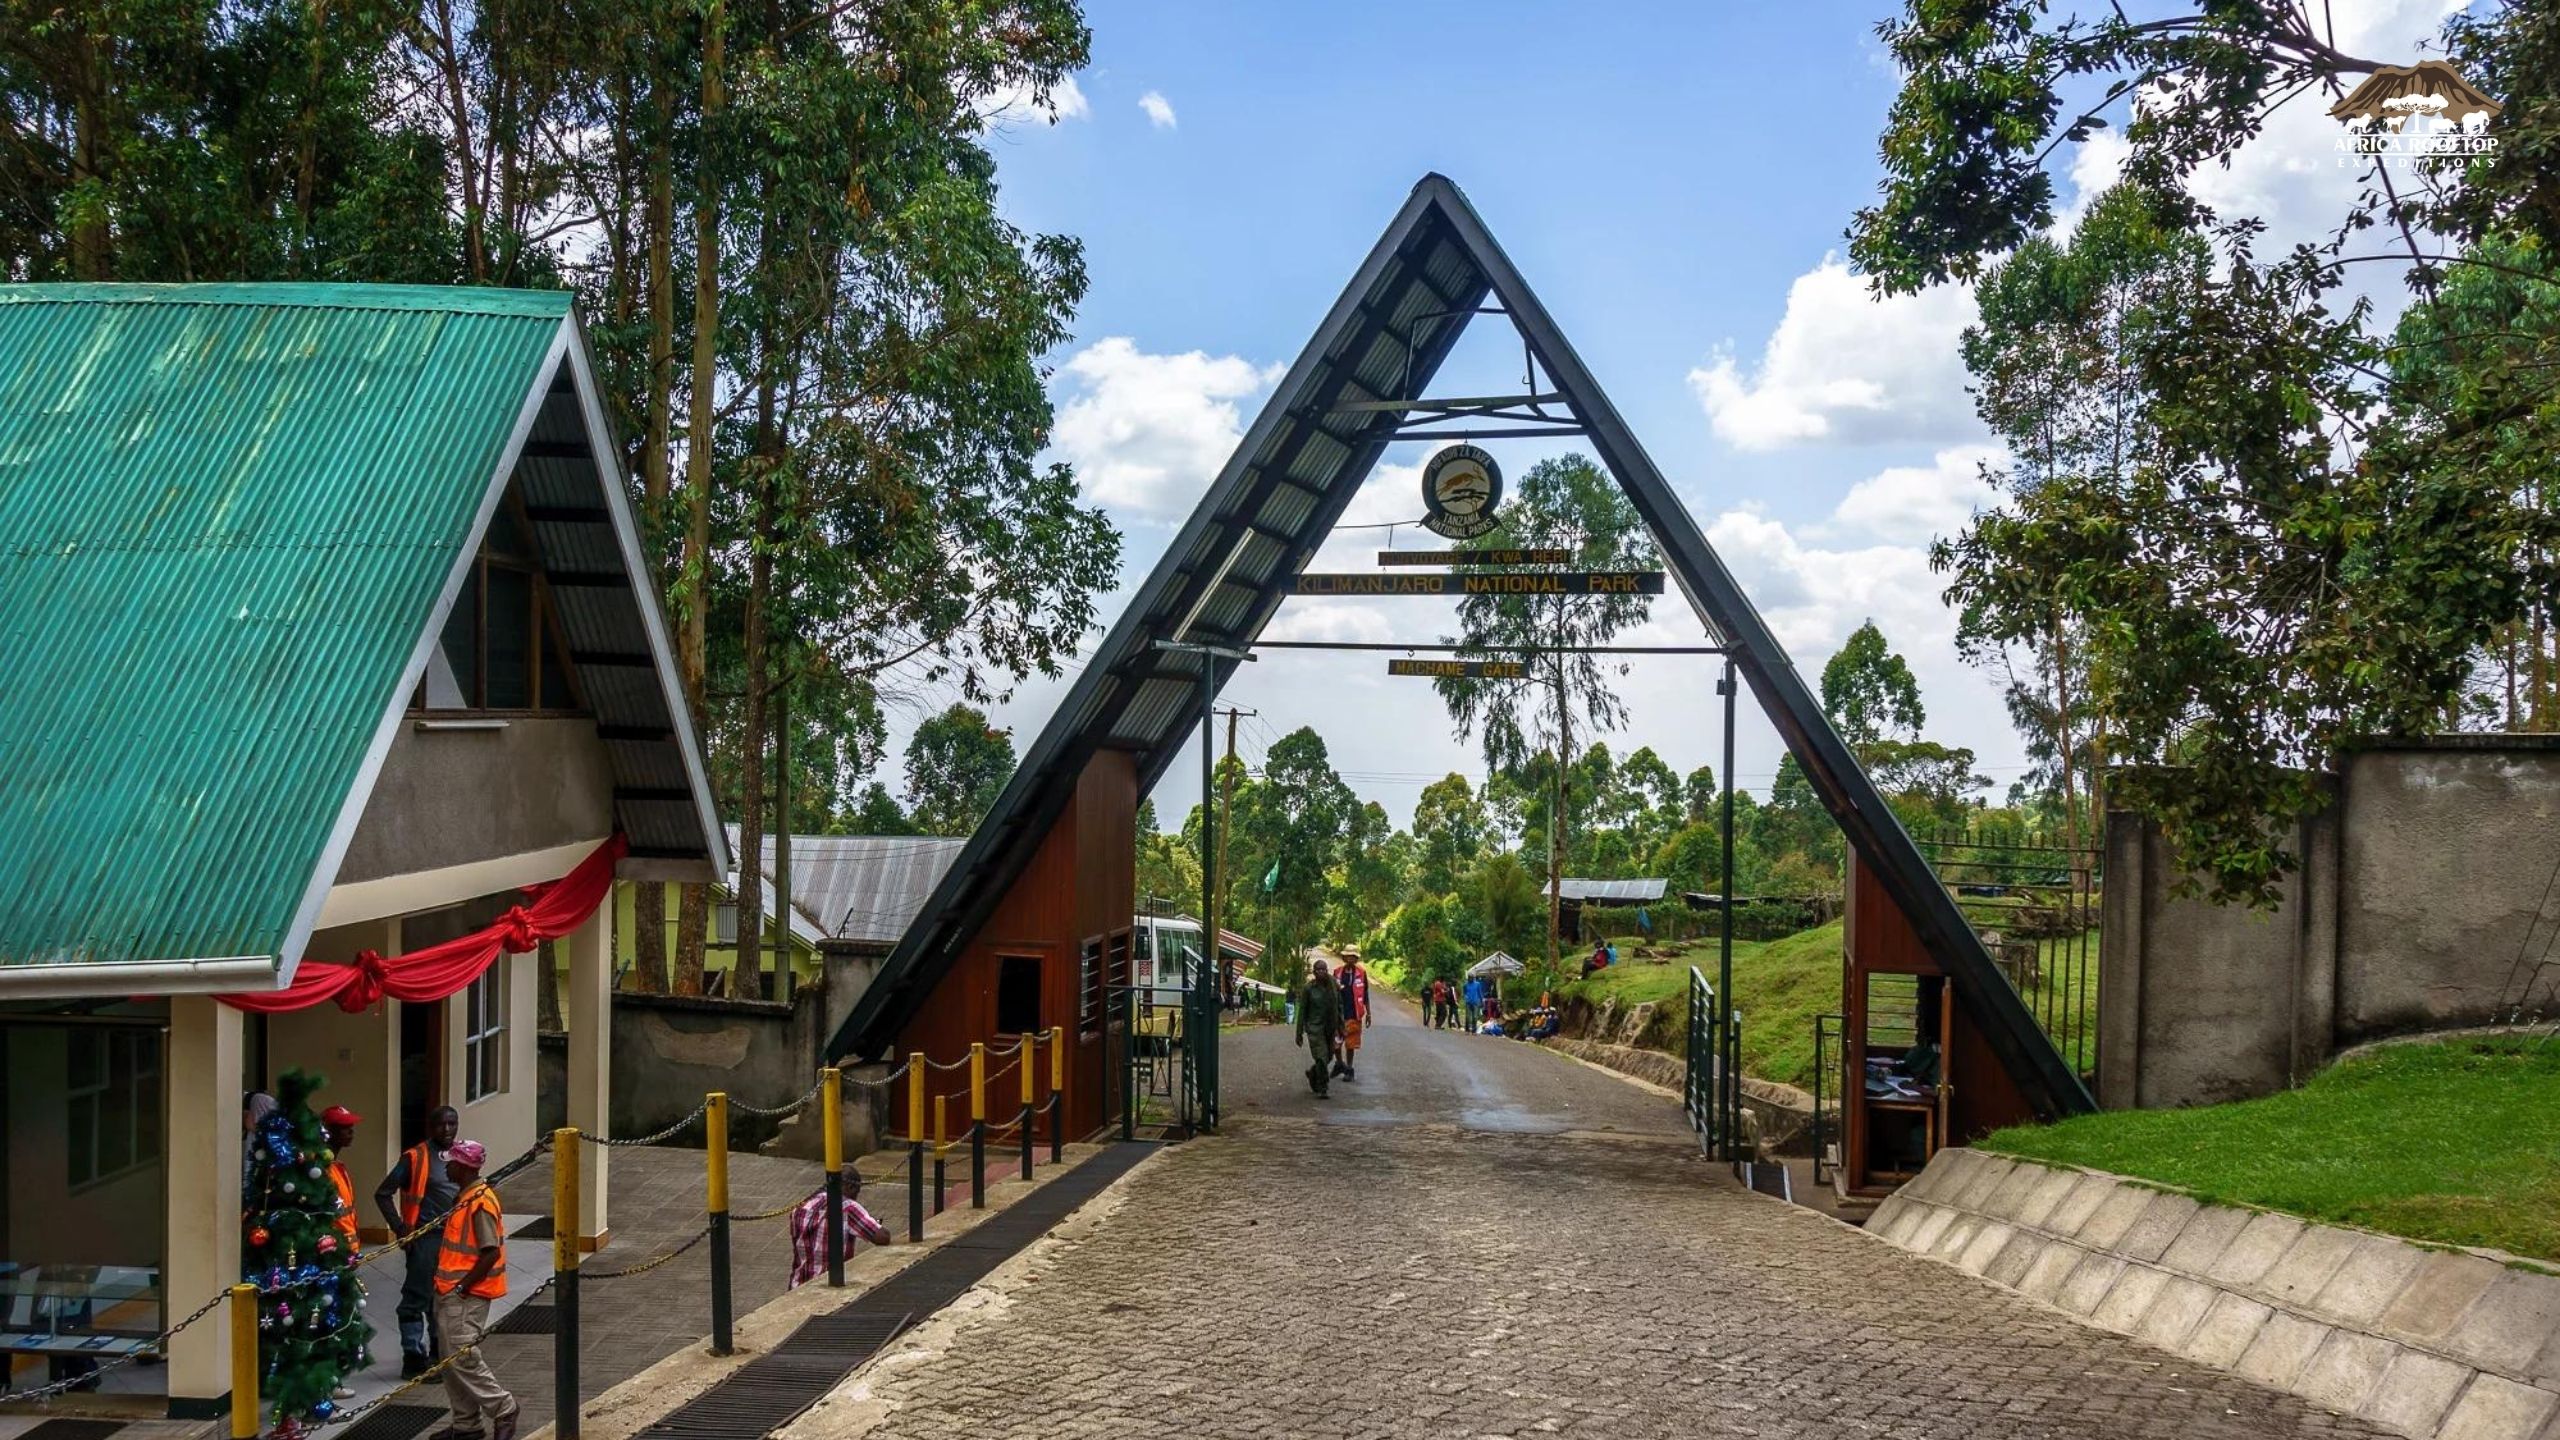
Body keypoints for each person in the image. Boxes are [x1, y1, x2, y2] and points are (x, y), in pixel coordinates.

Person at [428, 1140, 518, 1440]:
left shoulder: (480, 1202)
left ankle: (503, 1407)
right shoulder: (467, 1197)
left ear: (464, 1167)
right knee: (450, 1360)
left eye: (451, 1162)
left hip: (464, 1293)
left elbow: (489, 1251)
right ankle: (467, 1425)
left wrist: (463, 1287)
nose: (446, 1166)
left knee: (462, 1356)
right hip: (451, 1289)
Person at [377, 1105, 461, 1377]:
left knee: (442, 1298)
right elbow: (383, 1193)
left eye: (451, 1124)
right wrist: (400, 1228)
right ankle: (413, 1356)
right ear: (430, 1127)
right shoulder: (416, 1157)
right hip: (425, 1238)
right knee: (416, 1297)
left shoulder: (462, 1154)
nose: (446, 1130)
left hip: (453, 1240)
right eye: (440, 1125)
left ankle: (438, 1351)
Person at [787, 1171, 892, 1288]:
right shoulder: (848, 1207)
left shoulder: (801, 1206)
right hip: (828, 1284)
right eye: (857, 1193)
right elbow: (883, 1237)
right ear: (851, 1187)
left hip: (798, 1284)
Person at [1293, 958, 1341, 1098]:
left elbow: (1339, 1006)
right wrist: (1299, 1032)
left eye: (1324, 969)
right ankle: (1323, 1087)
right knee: (1321, 1057)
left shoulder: (1332, 985)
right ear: (1314, 972)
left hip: (1330, 1027)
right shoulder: (1309, 989)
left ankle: (1314, 1073)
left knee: (1329, 1056)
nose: (1321, 972)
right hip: (1314, 1028)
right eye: (1318, 969)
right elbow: (1302, 1011)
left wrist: (1340, 1025)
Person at [1333, 949, 1370, 1081]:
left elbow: (1365, 994)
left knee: (1351, 1043)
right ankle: (1339, 1063)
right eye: (1348, 956)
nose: (1350, 959)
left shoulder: (1361, 973)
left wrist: (1369, 1013)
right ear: (1344, 958)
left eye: (1353, 957)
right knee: (1336, 1042)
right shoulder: (1337, 972)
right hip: (1339, 1013)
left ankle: (1349, 1069)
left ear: (1356, 959)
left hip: (1354, 1013)